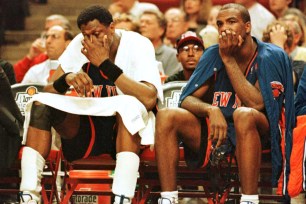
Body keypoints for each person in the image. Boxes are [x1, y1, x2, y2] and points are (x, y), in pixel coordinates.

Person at [19, 5, 162, 204]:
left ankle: (122, 198)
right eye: (87, 35)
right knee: (40, 104)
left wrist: (105, 64)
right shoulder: (79, 43)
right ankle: (28, 195)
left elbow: (148, 98)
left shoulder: (138, 44)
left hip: (124, 135)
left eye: (97, 33)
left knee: (128, 107)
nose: (92, 40)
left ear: (112, 28)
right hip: (86, 132)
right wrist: (67, 78)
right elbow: (48, 91)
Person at [155, 3, 295, 204]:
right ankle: (168, 198)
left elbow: (256, 104)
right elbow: (186, 99)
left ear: (247, 27)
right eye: (220, 24)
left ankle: (249, 200)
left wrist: (228, 60)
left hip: (259, 133)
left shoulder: (270, 55)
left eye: (231, 22)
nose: (224, 28)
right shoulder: (212, 53)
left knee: (243, 114)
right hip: (219, 131)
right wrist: (211, 109)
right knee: (166, 115)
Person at [13, 14, 71, 83]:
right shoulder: (39, 60)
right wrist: (29, 57)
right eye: (47, 33)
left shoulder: (79, 62)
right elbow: (15, 79)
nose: (48, 40)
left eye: (54, 35)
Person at [139, 10, 182, 77]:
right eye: (141, 22)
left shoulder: (172, 55)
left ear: (161, 30)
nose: (142, 25)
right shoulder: (134, 52)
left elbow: (171, 84)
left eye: (148, 22)